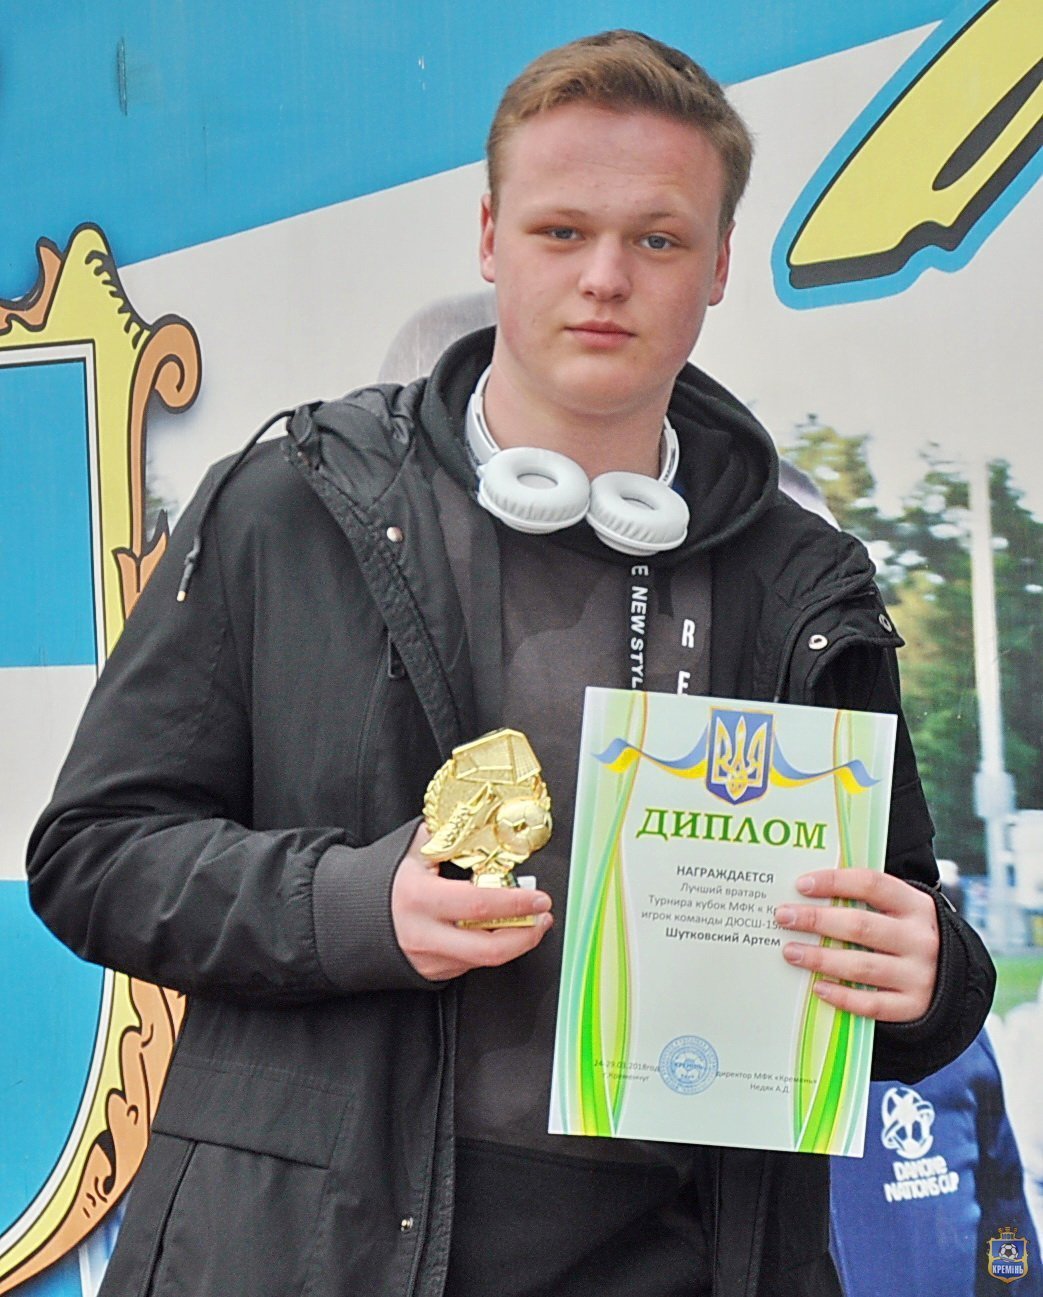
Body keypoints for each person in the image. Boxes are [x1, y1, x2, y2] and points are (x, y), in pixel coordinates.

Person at [27, 30, 994, 1297]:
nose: (604, 277)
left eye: (657, 239)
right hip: (312, 1256)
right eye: (559, 231)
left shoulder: (801, 580)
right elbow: (94, 854)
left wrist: (925, 976)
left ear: (716, 266)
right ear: (490, 240)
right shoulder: (288, 506)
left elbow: (901, 935)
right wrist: (353, 907)